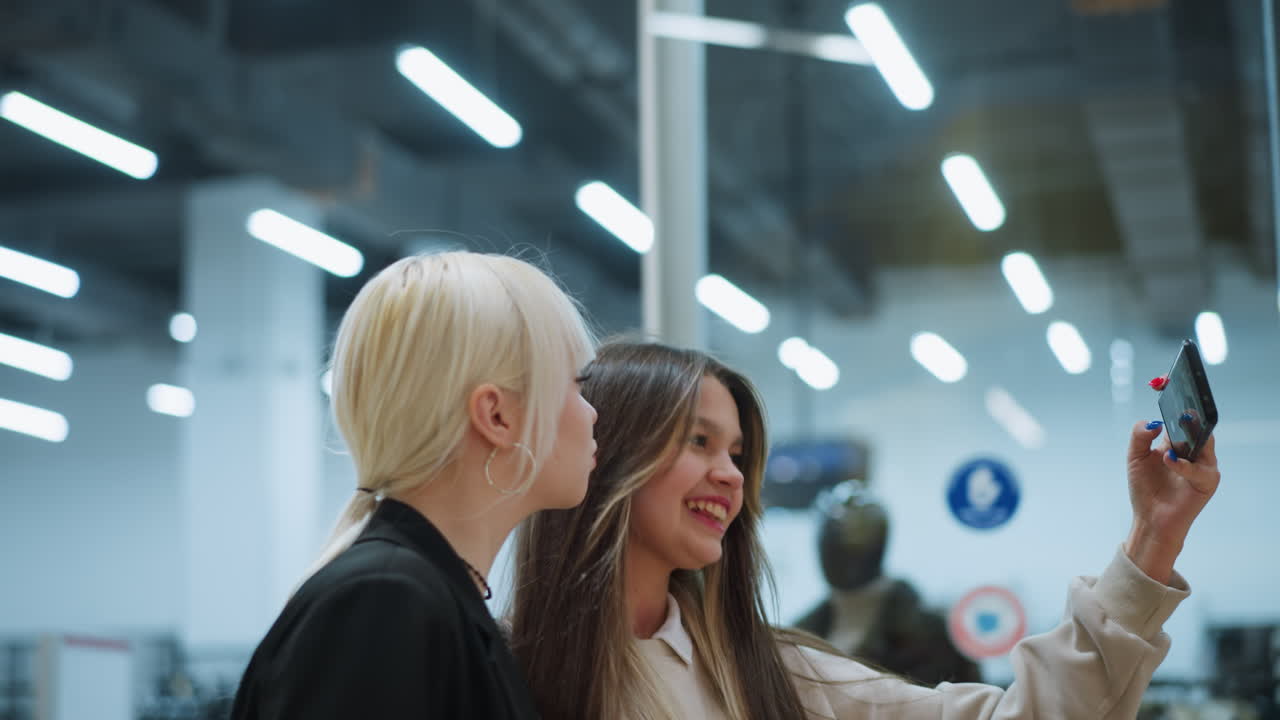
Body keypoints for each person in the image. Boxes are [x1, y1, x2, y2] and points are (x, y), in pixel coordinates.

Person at [509, 341, 1220, 719]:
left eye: (738, 454)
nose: (729, 475)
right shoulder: (497, 667)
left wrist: (1152, 543)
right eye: (697, 441)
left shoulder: (772, 677)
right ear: (609, 453)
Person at [231, 252, 597, 719]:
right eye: (578, 387)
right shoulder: (387, 603)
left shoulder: (423, 596)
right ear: (497, 416)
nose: (592, 415)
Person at [793, 481, 982, 685]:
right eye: (833, 537)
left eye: (855, 538)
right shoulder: (799, 637)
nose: (842, 553)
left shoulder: (934, 635)